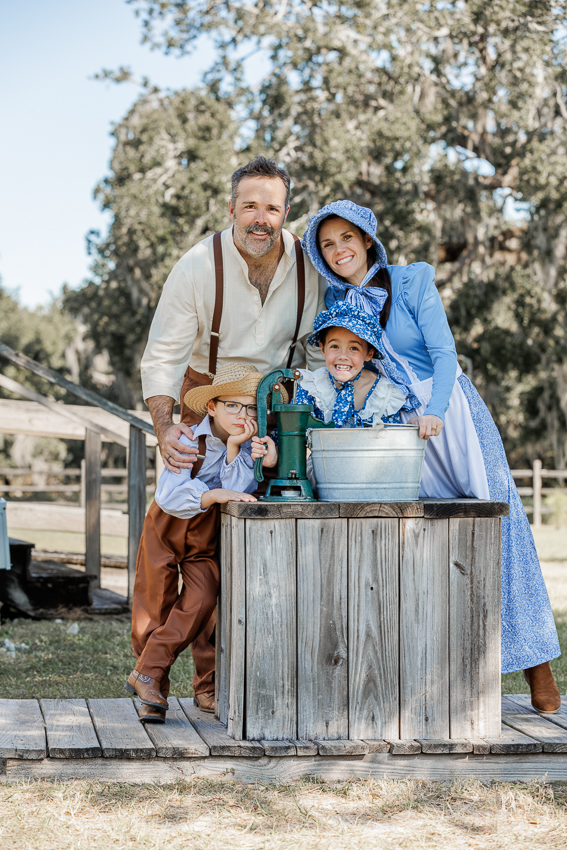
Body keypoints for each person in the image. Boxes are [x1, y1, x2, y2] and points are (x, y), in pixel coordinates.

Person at [301, 199, 562, 713]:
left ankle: (540, 673)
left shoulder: (413, 279)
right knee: (420, 541)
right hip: (399, 424)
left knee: (502, 531)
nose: (338, 252)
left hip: (451, 415)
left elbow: (445, 356)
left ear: (368, 240)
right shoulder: (335, 300)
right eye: (327, 245)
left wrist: (437, 409)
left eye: (346, 239)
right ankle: (437, 678)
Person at [133, 157, 326, 721]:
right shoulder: (197, 265)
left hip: (275, 405)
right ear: (232, 209)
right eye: (250, 206)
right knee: (170, 547)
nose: (260, 218)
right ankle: (150, 668)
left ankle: (214, 683)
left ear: (286, 213)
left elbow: (317, 352)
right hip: (203, 397)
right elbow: (164, 354)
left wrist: (304, 426)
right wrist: (167, 427)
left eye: (271, 207)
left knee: (234, 555)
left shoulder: (308, 268)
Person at [126, 364, 271, 721]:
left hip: (204, 537)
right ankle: (153, 687)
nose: (243, 415)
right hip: (168, 528)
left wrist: (237, 450)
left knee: (205, 600)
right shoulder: (189, 437)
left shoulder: (246, 444)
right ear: (212, 407)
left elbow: (241, 490)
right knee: (155, 605)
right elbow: (170, 495)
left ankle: (204, 685)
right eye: (233, 406)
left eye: (252, 408)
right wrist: (213, 493)